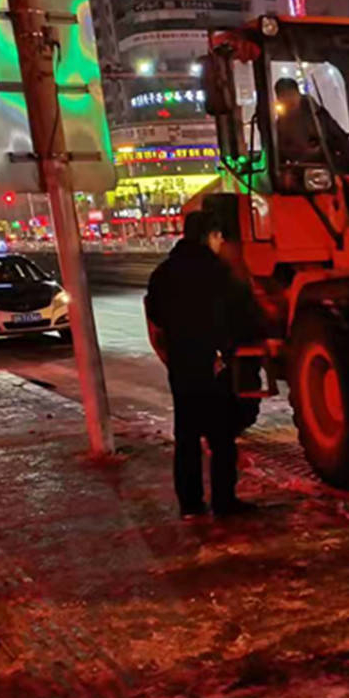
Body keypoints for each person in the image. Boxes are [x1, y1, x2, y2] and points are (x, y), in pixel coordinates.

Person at [146, 210, 260, 519]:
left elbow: (155, 314)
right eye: (218, 236)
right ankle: (224, 502)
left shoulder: (163, 274)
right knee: (221, 438)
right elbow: (243, 317)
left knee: (187, 437)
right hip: (215, 364)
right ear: (208, 236)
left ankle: (191, 504)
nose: (221, 242)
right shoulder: (219, 274)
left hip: (183, 364)